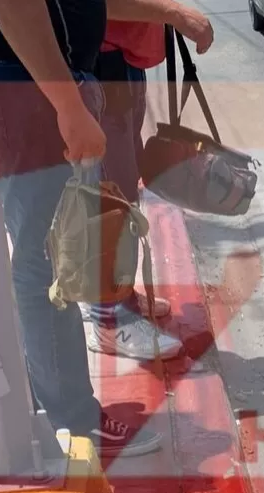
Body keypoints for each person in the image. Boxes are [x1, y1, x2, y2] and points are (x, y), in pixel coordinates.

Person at [0, 0, 204, 456]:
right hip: (30, 87)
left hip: (39, 84)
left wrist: (172, 14)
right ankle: (73, 419)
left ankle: (55, 397)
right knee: (49, 261)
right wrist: (68, 105)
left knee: (54, 253)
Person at [75, 0, 214, 361]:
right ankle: (109, 319)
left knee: (122, 187)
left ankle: (118, 297)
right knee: (112, 197)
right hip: (101, 62)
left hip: (122, 63)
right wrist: (174, 14)